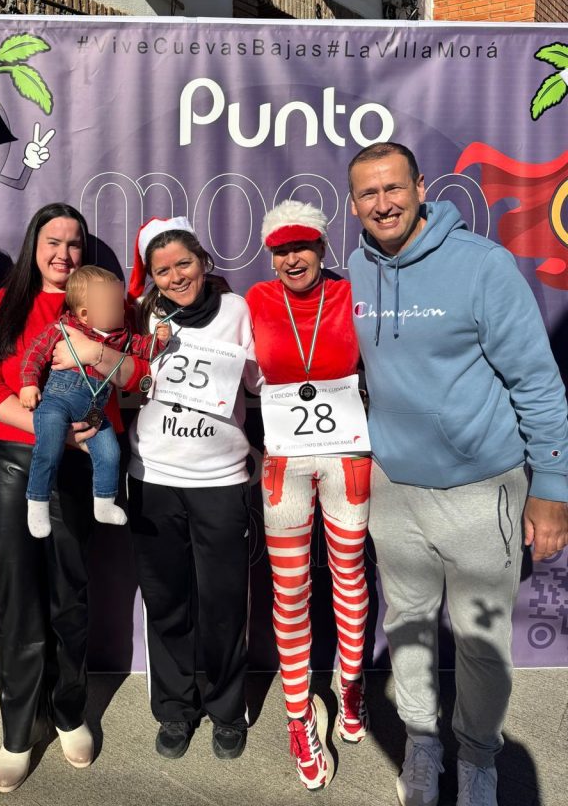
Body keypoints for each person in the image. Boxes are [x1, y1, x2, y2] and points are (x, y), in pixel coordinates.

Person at [347, 142, 568, 806]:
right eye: (367, 194)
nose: (382, 203)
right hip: (395, 491)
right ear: (353, 204)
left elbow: (537, 383)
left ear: (419, 187)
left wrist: (553, 490)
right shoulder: (355, 268)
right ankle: (423, 745)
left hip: (483, 490)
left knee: (479, 643)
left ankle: (478, 759)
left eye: (393, 188)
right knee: (407, 628)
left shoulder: (483, 266)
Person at [51, 217, 257, 762]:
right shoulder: (140, 314)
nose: (175, 276)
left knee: (222, 604)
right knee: (166, 601)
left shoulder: (237, 312)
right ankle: (174, 709)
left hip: (221, 481)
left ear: (204, 263)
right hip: (154, 479)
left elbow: (261, 382)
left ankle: (226, 709)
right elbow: (116, 375)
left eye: (184, 264)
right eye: (163, 270)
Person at [0, 203, 147, 793]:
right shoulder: (7, 306)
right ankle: (19, 727)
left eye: (74, 243)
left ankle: (67, 711)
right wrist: (42, 426)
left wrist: (94, 356)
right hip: (15, 460)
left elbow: (136, 376)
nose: (63, 253)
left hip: (83, 463)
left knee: (69, 592)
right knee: (18, 594)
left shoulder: (106, 313)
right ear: (34, 247)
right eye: (53, 241)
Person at [245, 200, 372, 792]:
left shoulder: (350, 296)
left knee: (348, 570)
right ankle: (299, 718)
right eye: (281, 249)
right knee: (291, 587)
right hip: (285, 465)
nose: (292, 258)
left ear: (322, 247)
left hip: (347, 458)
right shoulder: (255, 303)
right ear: (271, 254)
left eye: (303, 246)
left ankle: (350, 688)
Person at [20, 265, 169, 534]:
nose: (122, 311)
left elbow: (142, 350)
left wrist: (158, 341)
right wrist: (28, 384)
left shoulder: (120, 338)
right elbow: (35, 354)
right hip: (58, 402)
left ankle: (103, 503)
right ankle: (37, 501)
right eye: (113, 306)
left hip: (95, 410)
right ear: (85, 315)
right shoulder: (62, 329)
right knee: (49, 447)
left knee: (110, 453)